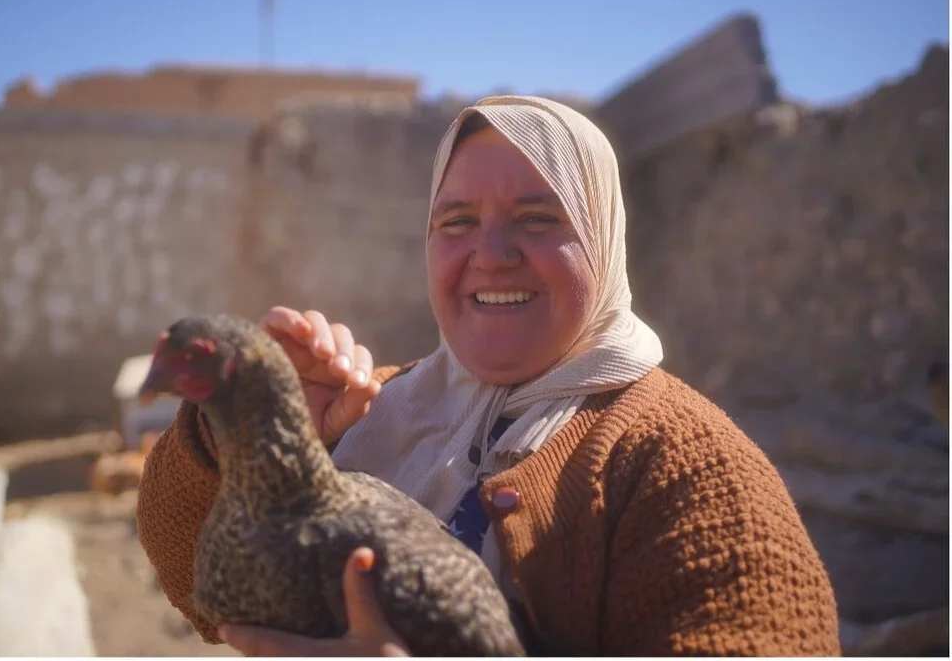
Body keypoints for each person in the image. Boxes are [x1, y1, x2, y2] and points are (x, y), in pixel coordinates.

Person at [135, 96, 842, 656]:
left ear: (602, 236)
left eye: (537, 219)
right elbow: (191, 580)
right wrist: (253, 428)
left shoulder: (688, 467)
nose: (492, 253)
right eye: (456, 222)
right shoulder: (373, 403)